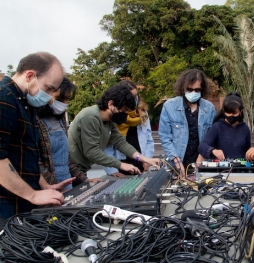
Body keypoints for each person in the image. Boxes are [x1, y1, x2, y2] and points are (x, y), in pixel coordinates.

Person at [0, 52, 73, 225]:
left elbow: (24, 155)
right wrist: (32, 195)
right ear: (30, 76)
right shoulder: (4, 98)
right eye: (48, 88)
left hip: (21, 205)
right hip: (6, 210)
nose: (49, 97)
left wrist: (44, 186)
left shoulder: (25, 102)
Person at [68, 84, 160, 174]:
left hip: (80, 170)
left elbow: (120, 142)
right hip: (71, 169)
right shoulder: (90, 117)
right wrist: (121, 165)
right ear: (110, 104)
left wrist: (145, 159)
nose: (125, 115)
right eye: (124, 110)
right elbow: (92, 152)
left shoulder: (109, 120)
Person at [37, 77, 98, 190]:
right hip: (49, 187)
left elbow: (67, 159)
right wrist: (55, 186)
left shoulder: (61, 120)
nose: (64, 103)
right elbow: (37, 162)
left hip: (66, 182)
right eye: (60, 99)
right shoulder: (36, 120)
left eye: (66, 99)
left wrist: (84, 180)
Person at [159, 69, 216, 177]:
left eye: (197, 90)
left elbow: (212, 136)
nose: (193, 93)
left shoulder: (210, 108)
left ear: (202, 89)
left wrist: (202, 156)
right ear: (183, 88)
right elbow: (165, 137)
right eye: (189, 90)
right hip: (175, 165)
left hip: (201, 164)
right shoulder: (169, 106)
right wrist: (176, 159)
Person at [104, 81, 154, 177]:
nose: (134, 99)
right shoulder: (113, 115)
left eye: (136, 96)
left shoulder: (142, 114)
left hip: (140, 162)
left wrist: (146, 159)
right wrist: (112, 171)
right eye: (131, 96)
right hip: (120, 164)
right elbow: (107, 148)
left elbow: (149, 139)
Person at [198, 92, 251, 160]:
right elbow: (202, 146)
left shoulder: (245, 129)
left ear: (241, 111)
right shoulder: (217, 127)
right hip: (220, 168)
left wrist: (252, 155)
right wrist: (212, 150)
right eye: (228, 112)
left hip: (240, 168)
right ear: (224, 111)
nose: (231, 115)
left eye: (234, 113)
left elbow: (248, 152)